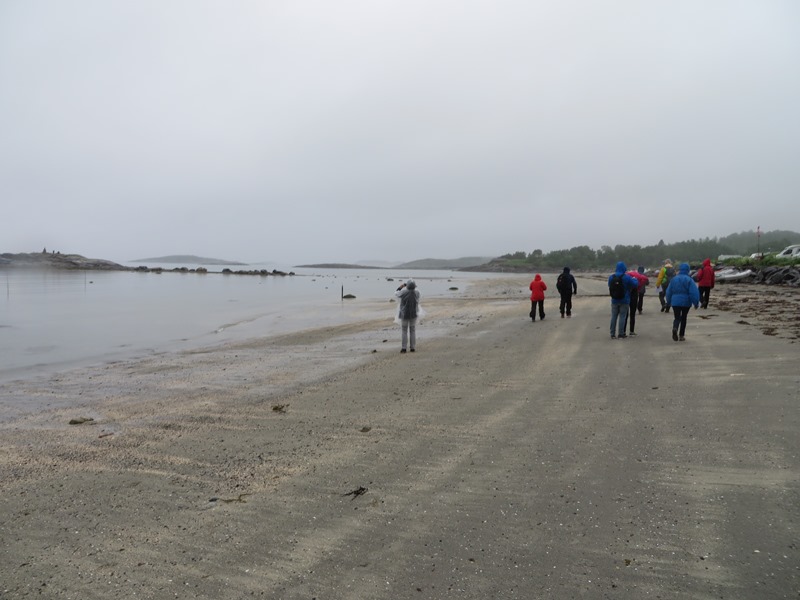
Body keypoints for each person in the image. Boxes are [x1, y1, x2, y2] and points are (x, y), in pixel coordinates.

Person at [665, 263, 700, 341]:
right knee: (684, 318)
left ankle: (675, 328)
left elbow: (668, 292)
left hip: (675, 301)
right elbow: (693, 292)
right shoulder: (689, 280)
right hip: (686, 302)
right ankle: (681, 335)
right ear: (688, 270)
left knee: (677, 317)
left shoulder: (674, 279)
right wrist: (696, 303)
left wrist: (669, 301)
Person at [608, 261, 639, 339]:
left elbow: (609, 285)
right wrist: (635, 279)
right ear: (624, 268)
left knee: (614, 316)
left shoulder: (611, 277)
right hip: (624, 299)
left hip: (614, 299)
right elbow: (635, 284)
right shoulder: (626, 277)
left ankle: (612, 333)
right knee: (622, 316)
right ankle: (621, 334)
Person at [395, 279, 422, 353]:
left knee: (404, 331)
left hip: (404, 314)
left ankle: (404, 348)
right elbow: (417, 292)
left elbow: (396, 293)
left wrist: (401, 286)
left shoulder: (404, 292)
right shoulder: (417, 293)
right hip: (414, 313)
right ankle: (412, 347)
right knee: (412, 330)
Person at [623, 267, 649, 336]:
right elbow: (646, 280)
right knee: (632, 314)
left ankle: (623, 331)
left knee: (625, 314)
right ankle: (631, 331)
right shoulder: (639, 276)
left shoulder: (627, 275)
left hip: (627, 295)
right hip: (635, 295)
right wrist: (639, 286)